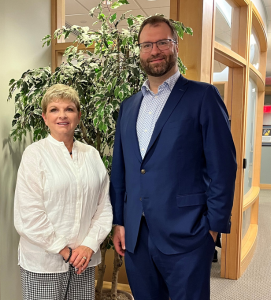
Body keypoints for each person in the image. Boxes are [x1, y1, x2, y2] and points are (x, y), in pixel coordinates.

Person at [110, 16, 237, 300]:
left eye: (163, 42)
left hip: (188, 234)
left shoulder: (203, 96)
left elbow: (223, 167)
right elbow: (121, 171)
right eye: (146, 45)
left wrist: (213, 230)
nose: (155, 51)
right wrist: (119, 221)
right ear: (139, 52)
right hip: (136, 238)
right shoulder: (128, 106)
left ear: (176, 46)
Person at [14, 84, 113, 300]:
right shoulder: (35, 155)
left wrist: (88, 245)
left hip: (82, 262)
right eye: (54, 109)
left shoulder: (92, 155)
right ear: (44, 117)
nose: (62, 115)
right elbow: (29, 215)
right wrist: (65, 251)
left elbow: (103, 207)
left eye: (69, 109)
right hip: (44, 262)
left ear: (78, 115)